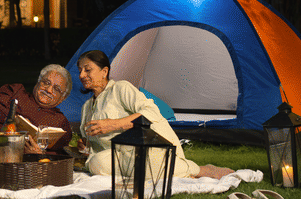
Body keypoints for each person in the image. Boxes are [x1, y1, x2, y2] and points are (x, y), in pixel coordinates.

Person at [76, 50, 234, 179]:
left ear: (104, 71)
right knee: (97, 164)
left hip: (145, 149)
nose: (82, 75)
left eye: (87, 69)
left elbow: (151, 112)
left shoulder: (120, 88)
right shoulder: (86, 107)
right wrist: (86, 146)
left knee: (146, 165)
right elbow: (93, 143)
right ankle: (166, 172)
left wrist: (115, 124)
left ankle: (198, 170)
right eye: (80, 71)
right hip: (117, 156)